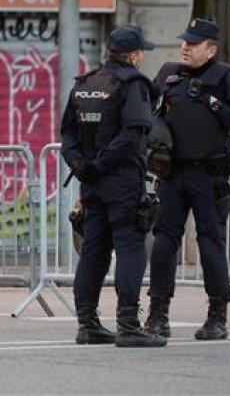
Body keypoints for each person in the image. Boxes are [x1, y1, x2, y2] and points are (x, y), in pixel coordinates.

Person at [145, 18, 230, 341]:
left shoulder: (227, 77)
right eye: (184, 42)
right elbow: (145, 107)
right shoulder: (169, 73)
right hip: (172, 173)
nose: (185, 47)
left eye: (193, 44)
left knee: (210, 243)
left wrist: (215, 104)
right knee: (164, 243)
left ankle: (217, 316)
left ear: (211, 50)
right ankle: (157, 315)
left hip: (209, 175)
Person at [61, 25, 167, 348]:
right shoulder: (133, 85)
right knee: (131, 247)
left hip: (91, 184)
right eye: (141, 53)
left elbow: (67, 135)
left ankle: (87, 323)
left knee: (94, 250)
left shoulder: (85, 84)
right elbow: (134, 133)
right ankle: (128, 324)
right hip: (120, 181)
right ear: (133, 55)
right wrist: (100, 164)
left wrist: (81, 166)